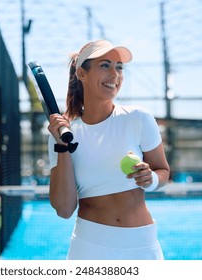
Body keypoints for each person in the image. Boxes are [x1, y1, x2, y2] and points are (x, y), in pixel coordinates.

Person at [47, 40, 170, 260]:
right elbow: (64, 209)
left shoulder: (139, 118)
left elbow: (163, 172)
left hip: (142, 246)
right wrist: (62, 147)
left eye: (119, 67)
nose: (115, 73)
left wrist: (150, 178)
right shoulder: (61, 134)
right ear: (82, 74)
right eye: (105, 65)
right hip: (89, 248)